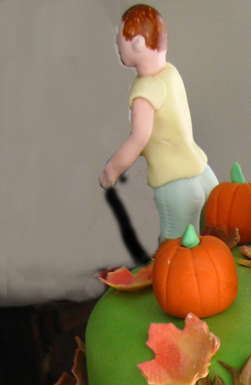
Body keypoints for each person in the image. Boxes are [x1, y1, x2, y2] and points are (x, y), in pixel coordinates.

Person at [99, 4, 217, 242]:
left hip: (177, 185)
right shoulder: (171, 73)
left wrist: (111, 172)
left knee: (175, 256)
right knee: (214, 243)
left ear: (138, 43)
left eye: (119, 37)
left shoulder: (145, 91)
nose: (116, 44)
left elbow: (139, 138)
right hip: (204, 173)